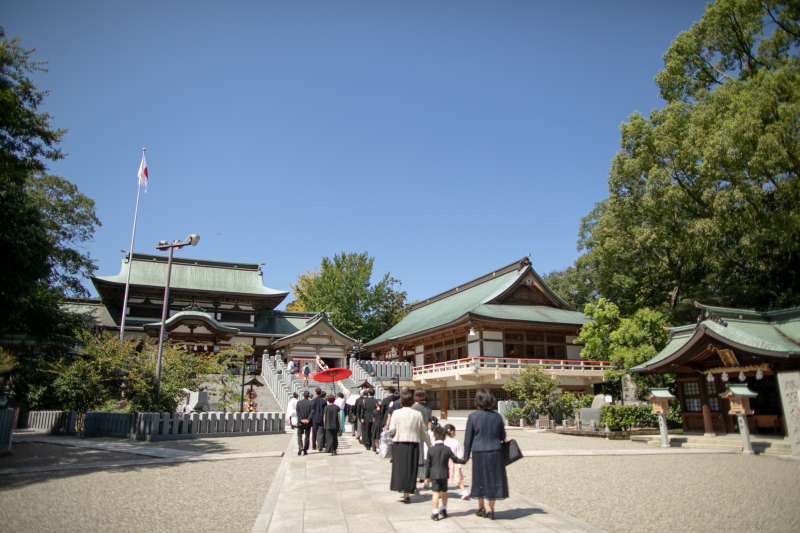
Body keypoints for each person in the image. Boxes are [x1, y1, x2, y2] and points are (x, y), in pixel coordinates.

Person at [463, 388, 508, 520]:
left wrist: (466, 455)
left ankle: (480, 507)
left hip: (478, 451)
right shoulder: (497, 416)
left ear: (477, 401)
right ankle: (491, 509)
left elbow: (468, 439)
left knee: (480, 479)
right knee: (494, 480)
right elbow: (502, 435)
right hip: (495, 451)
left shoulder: (473, 417)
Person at [388, 388, 432, 503]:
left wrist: (391, 433)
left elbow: (392, 429)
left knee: (400, 468)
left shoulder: (396, 413)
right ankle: (408, 490)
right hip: (413, 443)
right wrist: (430, 445)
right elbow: (423, 431)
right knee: (411, 468)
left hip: (399, 442)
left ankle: (403, 490)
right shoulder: (417, 414)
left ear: (401, 401)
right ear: (412, 401)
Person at [426, 426, 466, 521]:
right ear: (444, 438)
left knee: (435, 493)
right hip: (444, 473)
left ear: (434, 438)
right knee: (444, 492)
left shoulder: (431, 450)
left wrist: (427, 476)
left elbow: (428, 464)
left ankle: (435, 512)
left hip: (434, 474)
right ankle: (444, 509)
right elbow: (455, 459)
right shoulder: (447, 449)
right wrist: (463, 461)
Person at [412, 389, 433, 487]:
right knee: (425, 453)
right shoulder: (428, 407)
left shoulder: (414, 407)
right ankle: (425, 474)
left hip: (416, 432)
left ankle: (418, 474)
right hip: (426, 432)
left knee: (418, 452)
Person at [444, 424, 469, 499]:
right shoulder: (456, 441)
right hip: (454, 462)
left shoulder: (443, 440)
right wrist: (459, 465)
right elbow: (459, 453)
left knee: (444, 478)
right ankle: (464, 491)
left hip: (445, 462)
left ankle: (441, 492)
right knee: (458, 479)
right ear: (451, 432)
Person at [295, 391, 314, 455]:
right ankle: (305, 449)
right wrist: (308, 419)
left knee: (299, 434)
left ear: (303, 395)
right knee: (307, 436)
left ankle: (300, 446)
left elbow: (298, 412)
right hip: (308, 422)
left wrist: (301, 419)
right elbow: (312, 412)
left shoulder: (299, 403)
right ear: (308, 396)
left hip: (301, 422)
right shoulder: (311, 403)